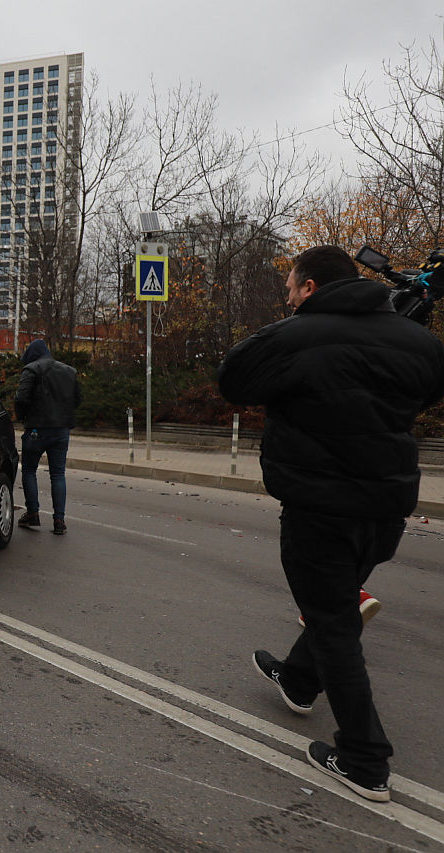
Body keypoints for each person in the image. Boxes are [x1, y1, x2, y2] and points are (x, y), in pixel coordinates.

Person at [219, 245, 444, 803]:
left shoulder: (297, 336)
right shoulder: (419, 340)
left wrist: (293, 329)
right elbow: (429, 389)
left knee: (332, 622)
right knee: (335, 604)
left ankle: (365, 759)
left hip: (320, 508)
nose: (288, 297)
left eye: (292, 288)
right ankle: (298, 679)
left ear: (312, 288)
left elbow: (234, 379)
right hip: (386, 507)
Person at [13, 339, 81, 535]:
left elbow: (21, 398)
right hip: (61, 430)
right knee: (58, 474)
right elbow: (77, 400)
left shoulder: (31, 370)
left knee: (29, 470)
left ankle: (33, 513)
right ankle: (59, 520)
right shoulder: (69, 371)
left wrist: (22, 417)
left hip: (37, 428)